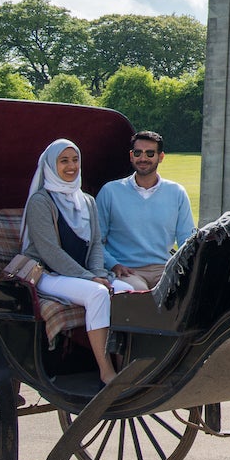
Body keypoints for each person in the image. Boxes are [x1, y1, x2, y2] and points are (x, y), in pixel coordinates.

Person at [21, 138, 142, 385]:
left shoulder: (86, 201)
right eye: (63, 161)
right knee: (98, 293)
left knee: (126, 291)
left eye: (75, 160)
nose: (71, 166)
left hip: (84, 274)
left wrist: (97, 271)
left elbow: (96, 243)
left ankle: (124, 362)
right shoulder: (41, 202)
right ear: (51, 166)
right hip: (49, 275)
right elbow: (49, 251)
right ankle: (105, 370)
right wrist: (90, 277)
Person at [96, 129, 196, 288]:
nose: (143, 158)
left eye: (150, 153)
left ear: (160, 157)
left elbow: (187, 239)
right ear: (131, 156)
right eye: (138, 153)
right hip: (125, 270)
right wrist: (113, 264)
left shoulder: (177, 193)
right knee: (141, 296)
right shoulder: (110, 192)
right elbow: (96, 239)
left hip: (164, 269)